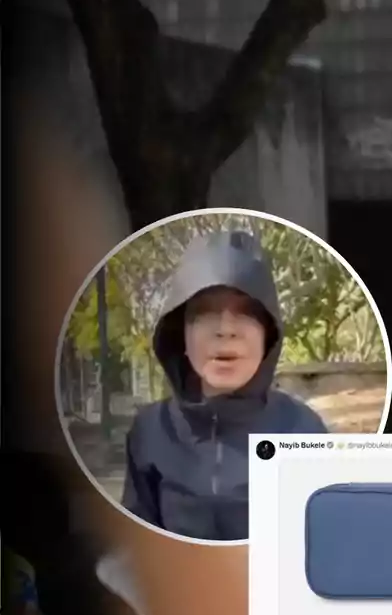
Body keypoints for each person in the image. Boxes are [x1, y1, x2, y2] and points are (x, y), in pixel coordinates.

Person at [122, 230, 328, 541]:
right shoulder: (150, 430)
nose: (226, 329)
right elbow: (137, 546)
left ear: (268, 336)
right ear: (182, 337)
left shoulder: (303, 429)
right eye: (205, 313)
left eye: (246, 313)